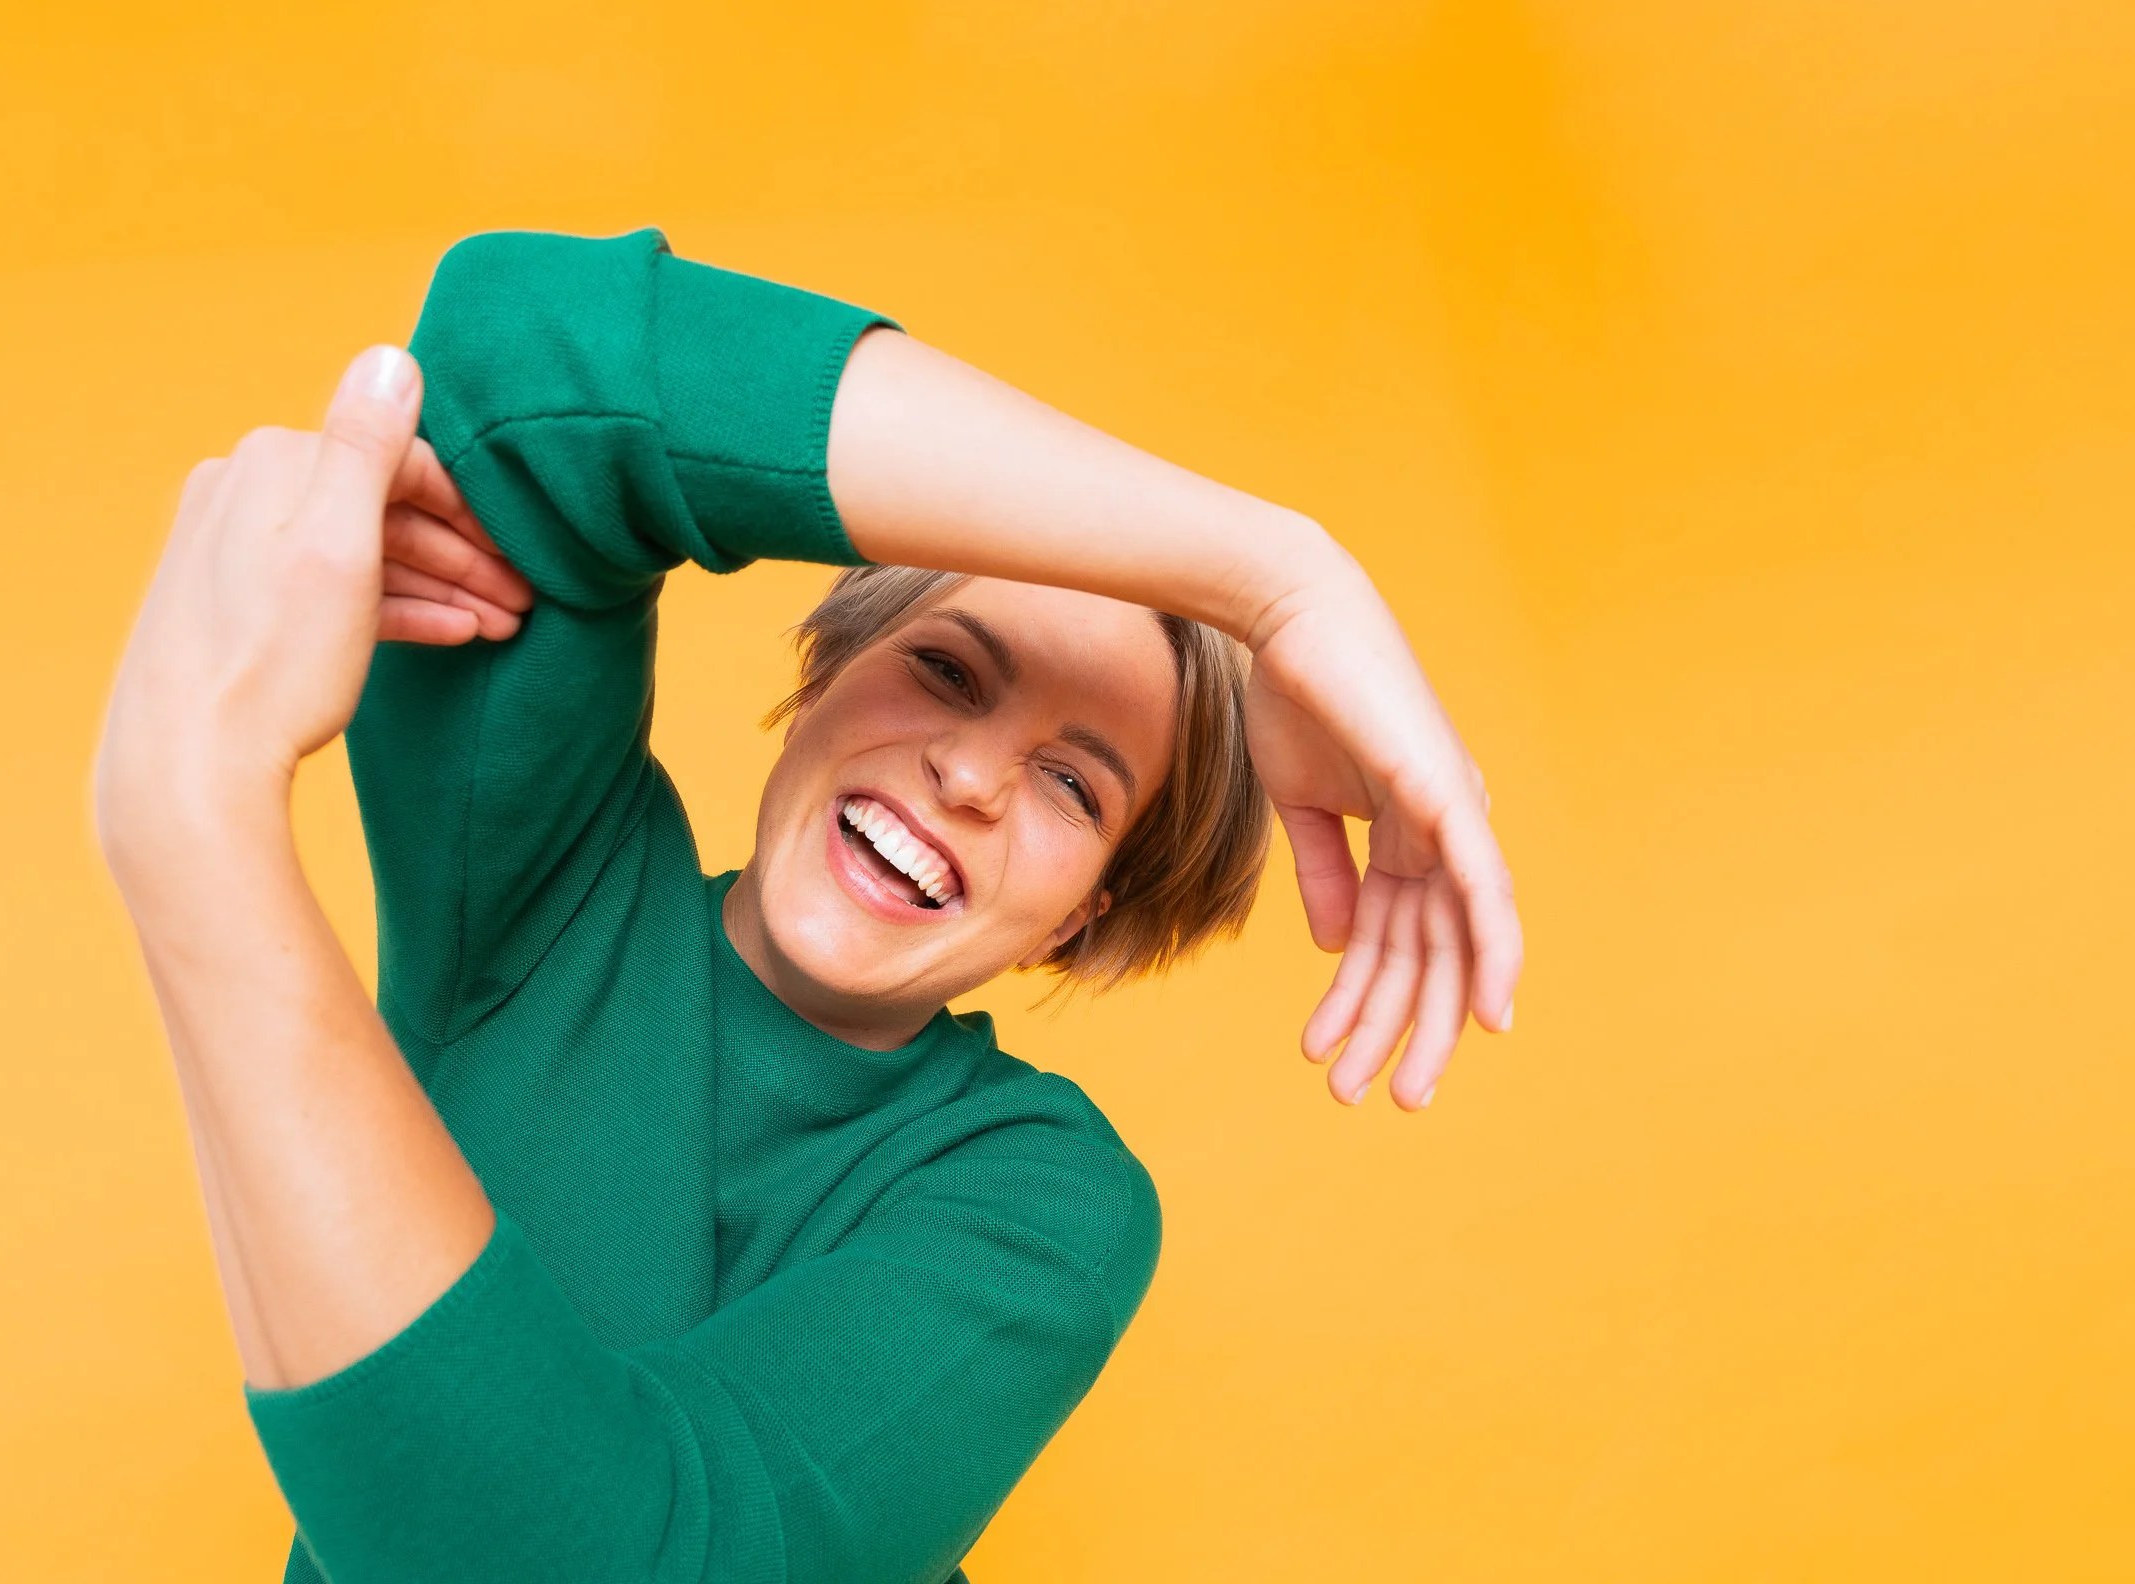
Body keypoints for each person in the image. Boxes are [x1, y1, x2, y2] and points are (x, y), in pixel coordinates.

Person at [96, 229, 1521, 1583]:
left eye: (1074, 790)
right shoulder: (543, 895)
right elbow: (525, 361)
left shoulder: (1039, 1198)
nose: (968, 773)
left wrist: (193, 816)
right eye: (950, 672)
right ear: (818, 680)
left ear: (1086, 914)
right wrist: (1278, 580)